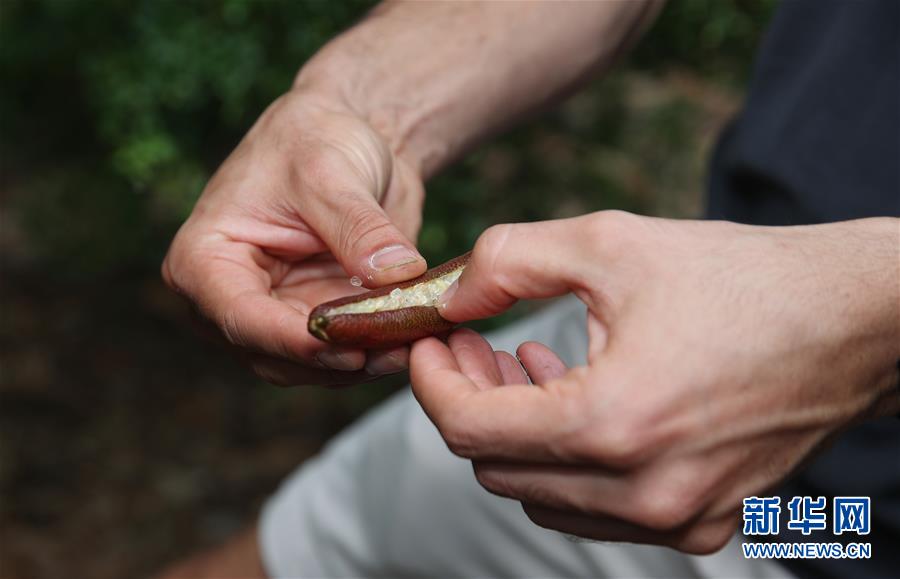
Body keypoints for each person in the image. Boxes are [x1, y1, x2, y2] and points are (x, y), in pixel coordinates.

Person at [158, 1, 899, 577]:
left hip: (856, 528)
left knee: (825, 529)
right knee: (298, 545)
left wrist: (877, 320)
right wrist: (360, 107)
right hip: (638, 356)